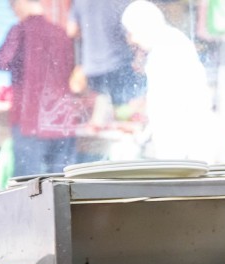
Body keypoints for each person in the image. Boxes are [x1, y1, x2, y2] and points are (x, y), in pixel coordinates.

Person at [0, 0, 83, 176]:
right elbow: (70, 71)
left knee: (28, 187)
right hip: (61, 120)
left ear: (21, 4)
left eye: (13, 6)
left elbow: (0, 61)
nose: (14, 12)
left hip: (30, 120)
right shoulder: (61, 33)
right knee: (61, 186)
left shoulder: (20, 31)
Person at [120, 0, 216, 160]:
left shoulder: (168, 48)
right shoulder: (168, 43)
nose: (133, 39)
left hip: (182, 144)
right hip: (181, 142)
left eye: (133, 32)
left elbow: (170, 107)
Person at [67, 0, 144, 107]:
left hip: (92, 68)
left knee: (103, 113)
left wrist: (91, 34)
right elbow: (133, 31)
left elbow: (72, 30)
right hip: (120, 64)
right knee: (126, 111)